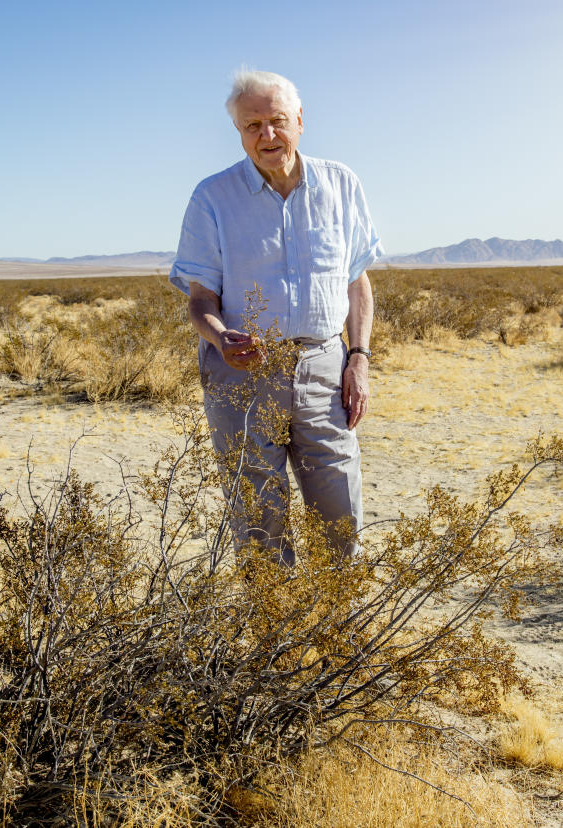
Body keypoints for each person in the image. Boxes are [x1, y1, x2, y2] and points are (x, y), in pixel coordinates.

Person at [169, 69, 383, 564]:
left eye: (277, 121)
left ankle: (341, 631)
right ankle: (275, 635)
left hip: (324, 369)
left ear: (301, 121)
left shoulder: (341, 185)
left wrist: (359, 359)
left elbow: (356, 282)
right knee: (258, 519)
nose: (267, 135)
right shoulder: (212, 198)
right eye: (252, 126)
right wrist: (222, 338)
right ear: (239, 132)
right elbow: (200, 299)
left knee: (340, 512)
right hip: (242, 373)